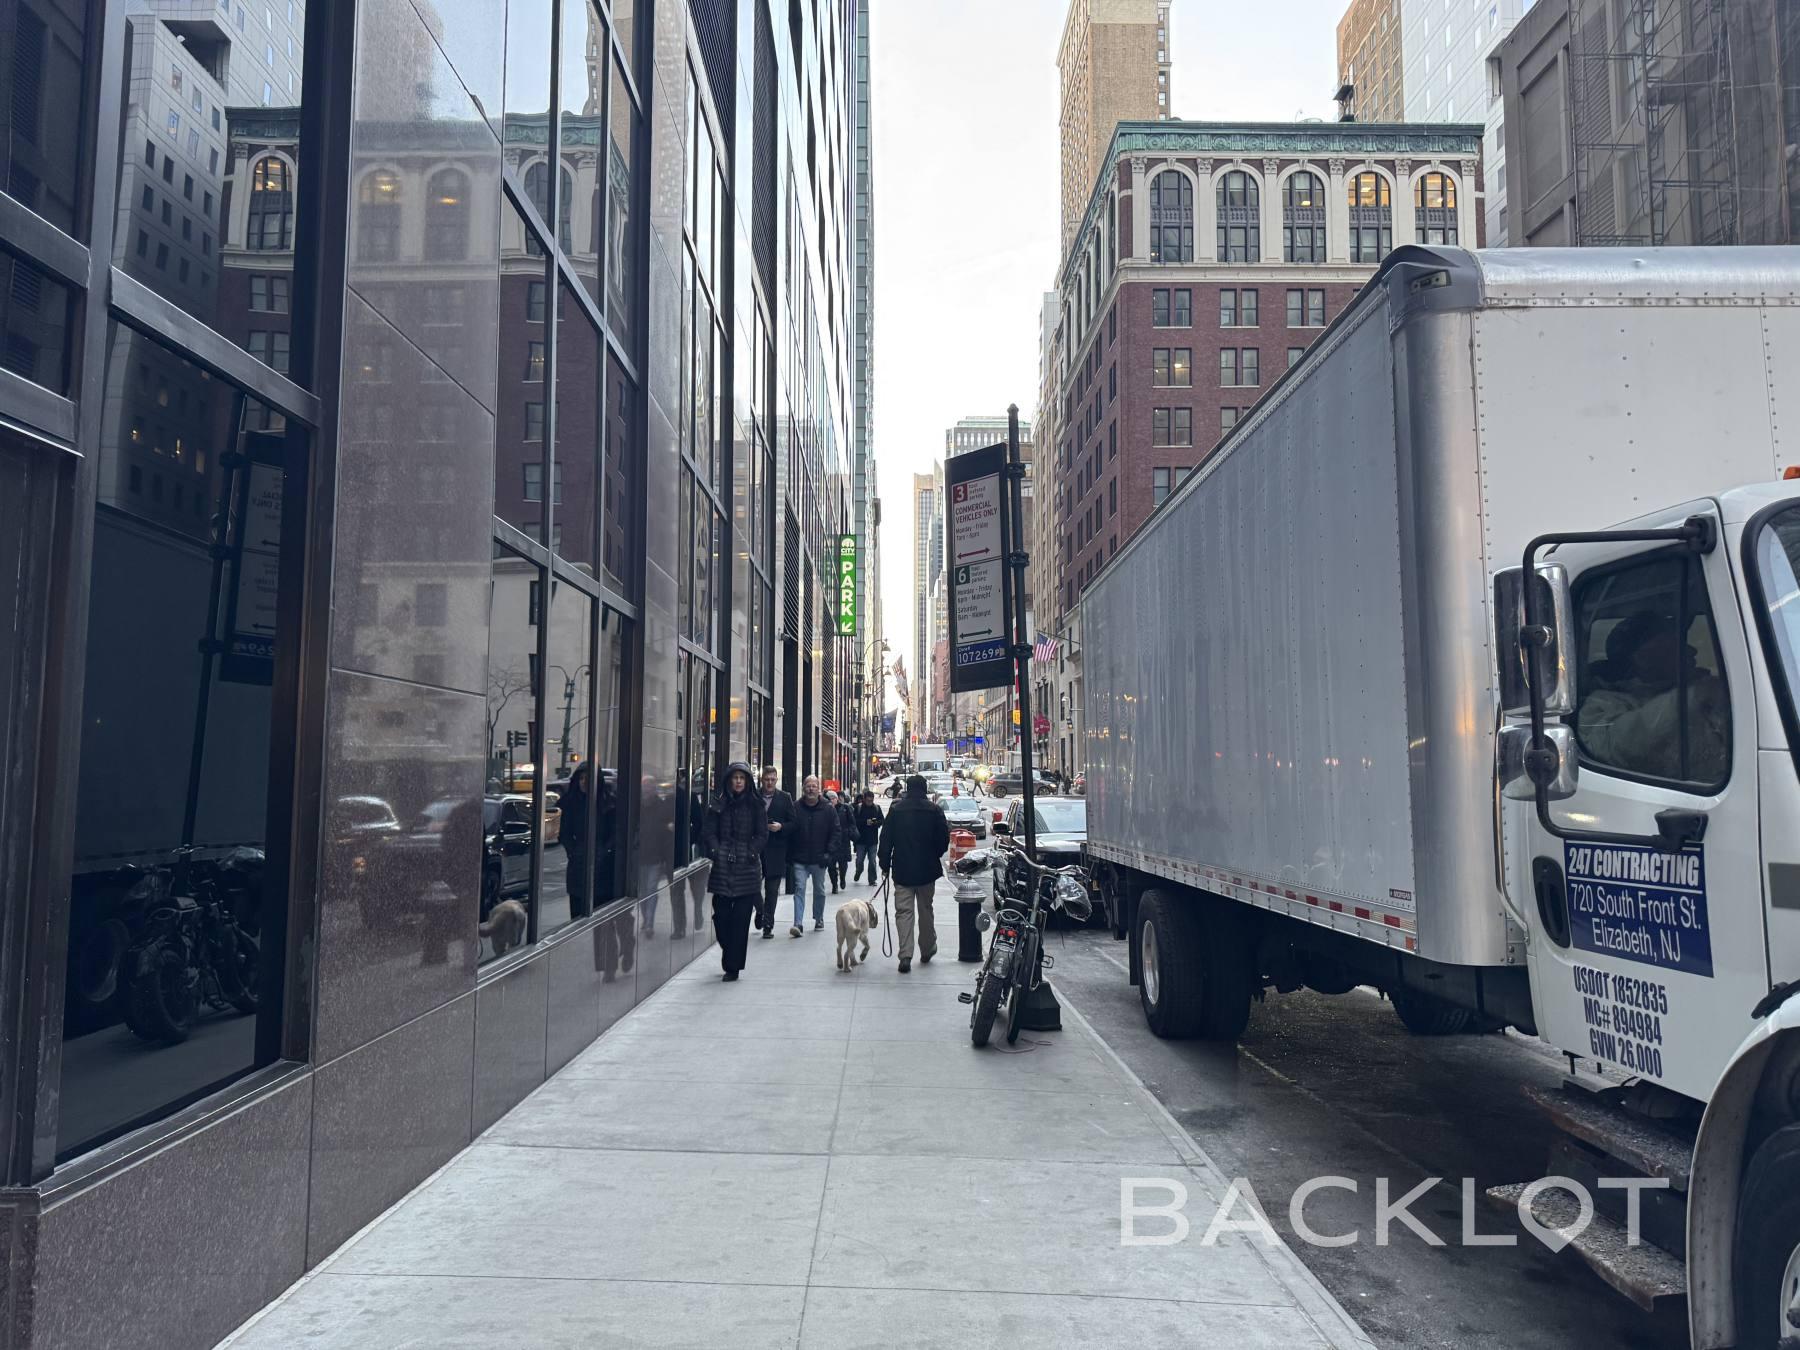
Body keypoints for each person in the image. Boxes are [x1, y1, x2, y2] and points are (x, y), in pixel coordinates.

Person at [1578, 610, 1729, 783]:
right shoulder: (1603, 702)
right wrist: (1692, 696)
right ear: (1642, 656)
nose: (1692, 650)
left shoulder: (1704, 690)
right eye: (1675, 645)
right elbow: (1612, 746)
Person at [700, 762, 767, 981]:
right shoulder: (718, 803)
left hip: (747, 868)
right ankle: (729, 950)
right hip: (723, 867)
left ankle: (733, 967)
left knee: (740, 921)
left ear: (747, 781)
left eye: (742, 778)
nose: (738, 781)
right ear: (729, 780)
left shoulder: (756, 804)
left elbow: (762, 834)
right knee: (721, 917)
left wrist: (751, 851)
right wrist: (717, 851)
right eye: (735, 777)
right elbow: (709, 831)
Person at [877, 774, 950, 973]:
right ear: (924, 789)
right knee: (926, 910)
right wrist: (934, 854)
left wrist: (885, 863)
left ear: (907, 789)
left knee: (904, 912)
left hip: (902, 869)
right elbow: (943, 839)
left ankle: (905, 955)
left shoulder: (896, 810)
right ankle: (927, 948)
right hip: (927, 869)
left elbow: (886, 839)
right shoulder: (934, 810)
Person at [787, 775, 840, 935]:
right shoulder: (795, 807)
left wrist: (828, 853)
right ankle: (798, 923)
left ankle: (819, 918)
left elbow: (836, 832)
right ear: (803, 788)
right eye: (808, 786)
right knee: (799, 889)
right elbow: (790, 830)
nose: (811, 789)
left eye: (814, 786)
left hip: (819, 858)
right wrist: (790, 854)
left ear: (819, 789)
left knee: (819, 890)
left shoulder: (828, 809)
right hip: (800, 858)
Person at [756, 766, 795, 939]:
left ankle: (768, 925)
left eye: (773, 779)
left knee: (772, 890)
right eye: (767, 779)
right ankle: (760, 910)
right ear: (762, 779)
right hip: (755, 851)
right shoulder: (753, 796)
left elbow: (793, 823)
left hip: (776, 851)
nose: (770, 783)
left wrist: (781, 827)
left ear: (776, 780)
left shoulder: (785, 798)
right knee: (753, 888)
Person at [561, 764, 592, 920]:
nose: (583, 782)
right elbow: (564, 833)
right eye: (581, 778)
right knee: (577, 910)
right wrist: (572, 851)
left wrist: (604, 850)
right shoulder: (571, 803)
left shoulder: (607, 802)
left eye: (587, 778)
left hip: (601, 865)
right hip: (578, 863)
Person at [826, 789, 855, 892]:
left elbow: (852, 822)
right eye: (829, 799)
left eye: (833, 798)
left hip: (843, 840)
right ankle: (834, 884)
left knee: (843, 864)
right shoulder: (825, 810)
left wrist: (849, 832)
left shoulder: (845, 808)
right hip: (830, 842)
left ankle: (842, 878)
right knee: (831, 865)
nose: (831, 801)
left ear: (836, 799)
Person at [852, 789, 883, 883]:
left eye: (871, 800)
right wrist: (865, 822)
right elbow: (854, 821)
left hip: (872, 840)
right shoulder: (858, 808)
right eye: (868, 800)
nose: (870, 802)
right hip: (861, 840)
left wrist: (874, 822)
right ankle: (858, 871)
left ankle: (872, 879)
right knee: (859, 860)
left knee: (872, 861)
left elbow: (882, 820)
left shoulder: (877, 808)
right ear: (864, 799)